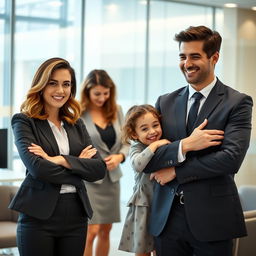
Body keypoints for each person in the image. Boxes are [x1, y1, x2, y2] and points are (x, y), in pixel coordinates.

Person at [142, 26, 253, 256]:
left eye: (195, 56)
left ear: (214, 58)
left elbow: (230, 159)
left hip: (213, 220)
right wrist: (186, 145)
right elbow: (150, 157)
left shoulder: (237, 102)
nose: (187, 63)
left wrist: (175, 171)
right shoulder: (165, 101)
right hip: (167, 220)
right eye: (182, 56)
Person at [9, 57, 106, 256]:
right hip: (38, 216)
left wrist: (61, 159)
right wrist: (79, 167)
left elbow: (99, 169)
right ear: (41, 85)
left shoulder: (75, 123)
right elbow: (38, 169)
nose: (60, 90)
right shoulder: (25, 121)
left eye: (66, 84)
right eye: (53, 83)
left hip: (76, 215)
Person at [119, 104, 224, 256]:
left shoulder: (165, 143)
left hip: (162, 203)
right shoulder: (138, 146)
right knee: (142, 248)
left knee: (158, 245)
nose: (152, 131)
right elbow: (137, 164)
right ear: (134, 134)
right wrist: (155, 145)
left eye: (155, 125)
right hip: (144, 204)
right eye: (144, 129)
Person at [80, 69, 129, 256]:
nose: (102, 98)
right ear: (87, 92)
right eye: (97, 94)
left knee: (105, 230)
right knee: (90, 231)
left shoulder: (116, 110)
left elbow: (126, 142)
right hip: (89, 181)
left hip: (112, 180)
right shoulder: (78, 112)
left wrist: (120, 157)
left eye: (106, 93)